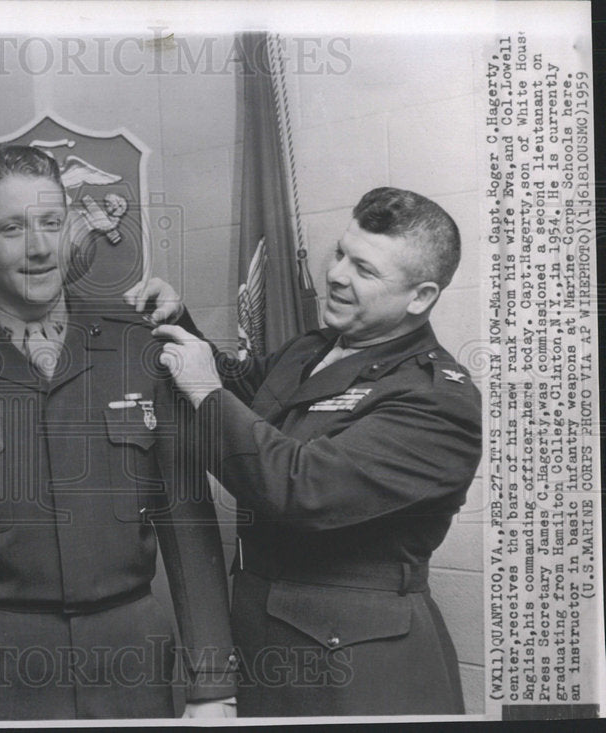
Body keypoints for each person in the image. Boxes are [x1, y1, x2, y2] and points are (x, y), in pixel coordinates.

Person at [0, 146, 236, 721]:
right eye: (13, 228)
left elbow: (188, 524)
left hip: (130, 660)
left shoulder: (136, 344)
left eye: (51, 222)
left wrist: (213, 683)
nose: (40, 247)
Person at [130, 187, 483, 716]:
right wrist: (182, 326)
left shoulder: (437, 398)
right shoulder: (311, 349)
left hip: (358, 669)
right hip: (266, 642)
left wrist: (205, 391)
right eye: (340, 252)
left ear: (421, 297)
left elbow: (301, 489)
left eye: (364, 269)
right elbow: (251, 413)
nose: (337, 274)